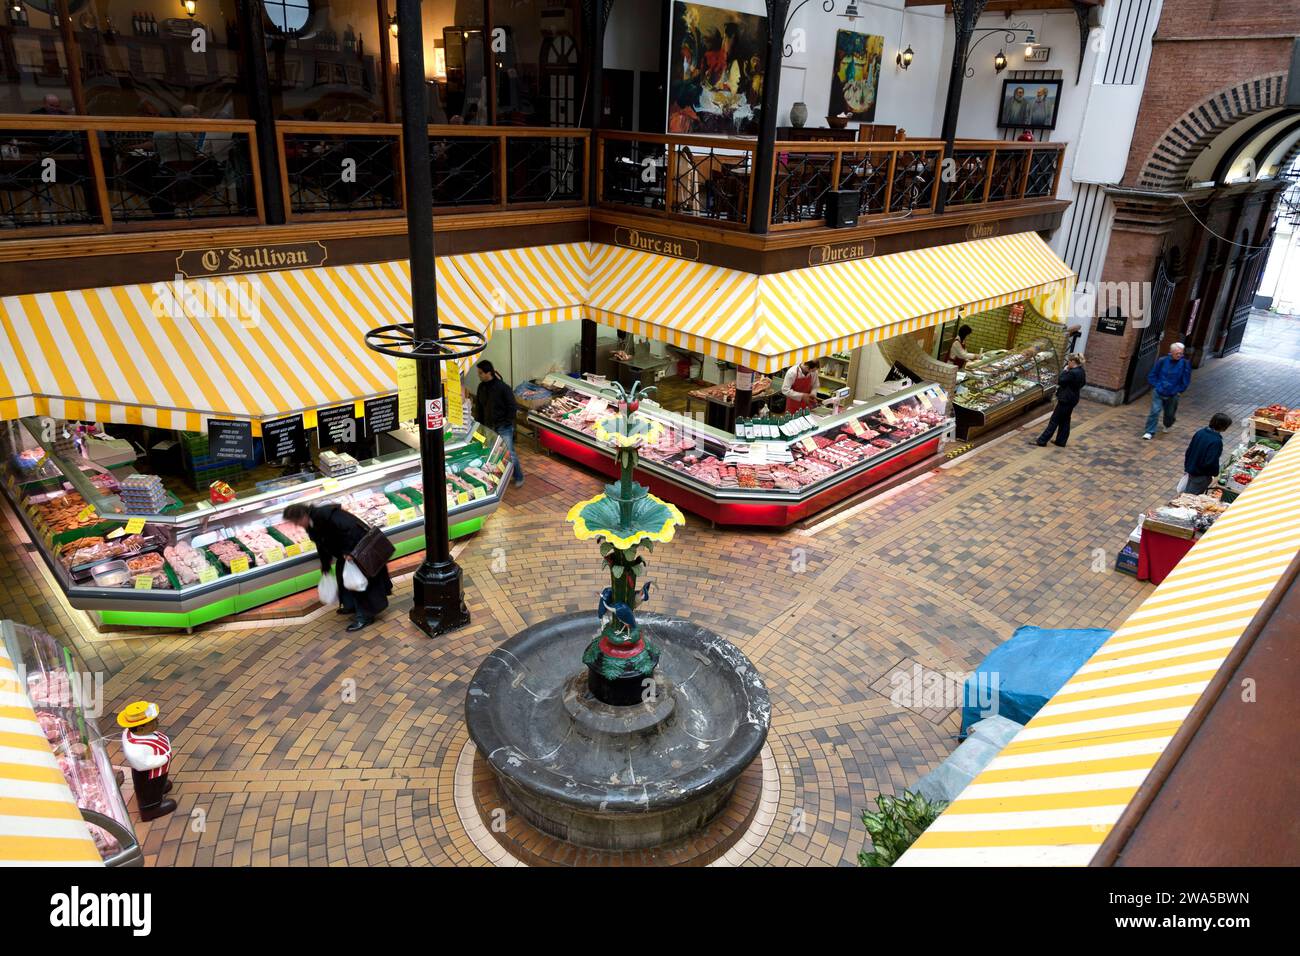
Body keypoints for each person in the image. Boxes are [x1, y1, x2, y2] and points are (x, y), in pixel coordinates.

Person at [284, 502, 391, 632]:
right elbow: (321, 544)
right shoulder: (312, 523)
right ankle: (351, 605)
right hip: (345, 553)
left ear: (302, 516)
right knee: (343, 577)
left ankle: (365, 616)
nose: (297, 526)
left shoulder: (327, 515)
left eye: (296, 522)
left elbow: (351, 529)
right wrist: (325, 565)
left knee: (359, 583)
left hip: (358, 549)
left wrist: (349, 551)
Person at [118, 701, 176, 821]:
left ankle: (160, 788)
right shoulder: (135, 748)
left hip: (158, 771)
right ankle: (151, 809)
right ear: (141, 728)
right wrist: (163, 759)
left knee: (158, 784)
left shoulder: (140, 733)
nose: (157, 722)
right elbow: (141, 764)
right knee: (150, 789)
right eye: (152, 721)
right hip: (149, 774)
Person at [473, 360, 523, 487]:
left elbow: (512, 406)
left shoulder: (502, 387)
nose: (478, 375)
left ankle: (518, 477)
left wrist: (507, 421)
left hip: (503, 427)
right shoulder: (481, 387)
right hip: (488, 427)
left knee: (509, 452)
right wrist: (479, 424)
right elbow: (479, 406)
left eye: (480, 373)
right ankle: (497, 478)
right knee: (492, 453)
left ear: (488, 373)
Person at [1143, 342, 1192, 439]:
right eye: (1177, 353)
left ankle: (1167, 424)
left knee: (1170, 414)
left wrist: (1179, 391)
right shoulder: (1162, 361)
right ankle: (1149, 431)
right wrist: (1157, 385)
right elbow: (1152, 375)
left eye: (1181, 353)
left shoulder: (1185, 363)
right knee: (1154, 411)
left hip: (1173, 393)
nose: (1179, 355)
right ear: (1171, 352)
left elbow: (1185, 380)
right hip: (1159, 391)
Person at [1036, 353, 1086, 447]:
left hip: (1065, 399)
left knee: (1054, 420)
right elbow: (1083, 383)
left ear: (1073, 361)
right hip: (1073, 398)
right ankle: (1061, 441)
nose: (1067, 363)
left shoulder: (1072, 372)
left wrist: (1065, 371)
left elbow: (1060, 380)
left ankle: (1042, 441)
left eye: (1068, 361)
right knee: (1065, 420)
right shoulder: (1081, 371)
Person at [1182, 412, 1232, 495]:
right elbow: (1210, 462)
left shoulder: (1200, 432)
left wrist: (1187, 466)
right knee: (1190, 497)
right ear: (1223, 427)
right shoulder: (1216, 441)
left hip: (1191, 469)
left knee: (1187, 493)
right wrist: (1215, 473)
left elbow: (1189, 451)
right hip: (1201, 475)